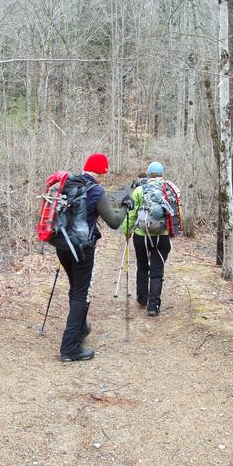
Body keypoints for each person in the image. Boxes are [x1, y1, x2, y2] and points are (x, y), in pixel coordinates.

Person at [58, 153, 133, 362]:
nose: (104, 177)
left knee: (75, 288)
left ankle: (80, 330)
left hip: (62, 245)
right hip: (82, 248)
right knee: (81, 293)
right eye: (104, 173)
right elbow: (114, 222)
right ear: (101, 172)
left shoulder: (68, 183)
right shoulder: (96, 190)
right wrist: (126, 206)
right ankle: (69, 348)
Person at [122, 161, 176, 317]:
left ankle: (142, 298)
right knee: (157, 271)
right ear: (161, 173)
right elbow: (176, 213)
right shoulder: (169, 189)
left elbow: (132, 213)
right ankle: (153, 306)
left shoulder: (139, 190)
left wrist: (127, 230)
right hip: (162, 236)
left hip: (141, 235)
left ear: (148, 173)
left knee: (142, 266)